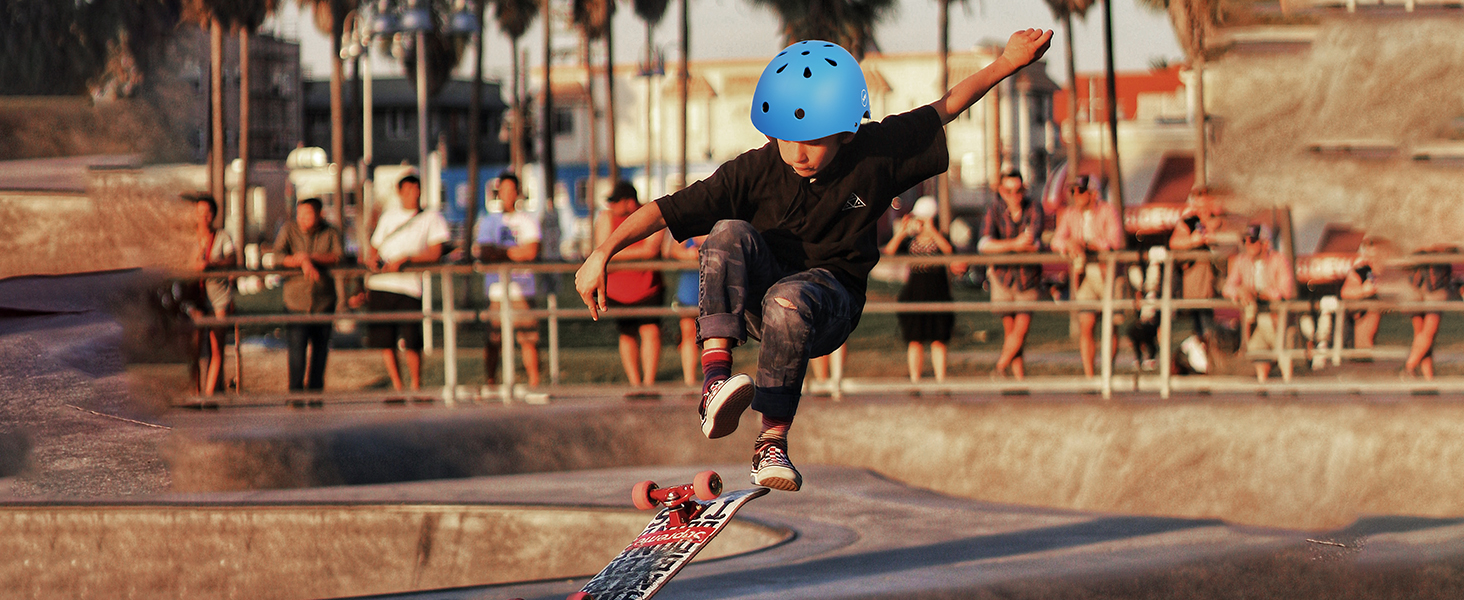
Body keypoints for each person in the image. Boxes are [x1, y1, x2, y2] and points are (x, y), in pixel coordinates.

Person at [576, 29, 1054, 491]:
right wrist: (603, 252)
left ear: (846, 134)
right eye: (788, 139)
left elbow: (946, 106)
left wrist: (1008, 63)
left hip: (831, 304)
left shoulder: (876, 153)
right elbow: (666, 209)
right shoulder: (756, 168)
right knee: (725, 234)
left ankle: (772, 442)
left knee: (790, 297)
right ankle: (714, 382)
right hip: (758, 300)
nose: (798, 153)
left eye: (814, 141)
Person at [364, 173, 451, 395]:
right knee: (386, 339)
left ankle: (416, 386)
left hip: (409, 286)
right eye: (408, 190)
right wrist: (373, 259)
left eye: (416, 189)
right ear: (400, 192)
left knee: (412, 339)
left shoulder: (430, 218)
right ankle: (398, 388)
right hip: (382, 285)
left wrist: (407, 259)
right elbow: (374, 247)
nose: (413, 194)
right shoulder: (388, 217)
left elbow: (435, 253)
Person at [1050, 175, 1124, 378]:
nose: (1075, 195)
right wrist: (1070, 244)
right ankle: (1090, 377)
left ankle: (1107, 374)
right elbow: (1056, 240)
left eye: (1080, 191)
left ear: (1093, 193)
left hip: (1108, 274)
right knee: (1087, 324)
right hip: (1084, 274)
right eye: (1072, 191)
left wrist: (1085, 244)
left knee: (1111, 326)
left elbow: (1113, 242)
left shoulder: (1108, 211)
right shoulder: (1070, 214)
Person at [596, 180, 667, 389]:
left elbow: (651, 250)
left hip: (648, 287)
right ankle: (635, 385)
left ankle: (649, 384)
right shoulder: (606, 217)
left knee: (651, 332)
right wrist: (613, 254)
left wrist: (614, 252)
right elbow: (600, 249)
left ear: (629, 202)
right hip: (619, 291)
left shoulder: (649, 213)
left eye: (616, 202)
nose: (612, 206)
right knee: (627, 335)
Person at [475, 172, 542, 388]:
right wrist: (514, 252)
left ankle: (534, 382)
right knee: (493, 339)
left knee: (528, 339)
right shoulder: (488, 221)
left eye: (512, 190)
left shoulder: (527, 221)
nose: (508, 194)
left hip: (522, 289)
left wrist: (501, 253)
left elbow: (531, 251)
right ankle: (491, 382)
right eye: (503, 190)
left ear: (518, 192)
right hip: (496, 290)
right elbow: (485, 252)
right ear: (498, 192)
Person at [273, 197, 343, 395]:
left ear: (320, 214)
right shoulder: (288, 230)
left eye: (308, 214)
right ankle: (295, 395)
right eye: (300, 214)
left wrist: (310, 257)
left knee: (320, 351)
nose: (303, 218)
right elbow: (277, 256)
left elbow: (338, 256)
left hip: (324, 300)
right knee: (296, 351)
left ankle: (315, 394)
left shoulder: (331, 232)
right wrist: (299, 261)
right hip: (296, 301)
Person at [979, 170, 1045, 380]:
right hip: (1003, 277)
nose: (1014, 195)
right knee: (1011, 332)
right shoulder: (994, 210)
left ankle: (999, 368)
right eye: (1008, 190)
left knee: (1022, 329)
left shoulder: (1034, 207)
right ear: (1001, 191)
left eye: (1018, 190)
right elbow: (984, 244)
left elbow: (1032, 242)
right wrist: (1014, 244)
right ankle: (1018, 379)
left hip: (1028, 277)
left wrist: (1004, 246)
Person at [883, 196, 955, 383]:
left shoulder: (941, 238)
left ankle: (941, 381)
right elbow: (889, 251)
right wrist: (902, 232)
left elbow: (949, 251)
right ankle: (915, 381)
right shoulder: (910, 241)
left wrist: (932, 231)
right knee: (915, 340)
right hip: (914, 294)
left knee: (939, 340)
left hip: (938, 294)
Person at [1223, 225, 1295, 383]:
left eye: (1253, 240)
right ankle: (1263, 394)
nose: (1247, 244)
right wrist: (1241, 291)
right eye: (1245, 240)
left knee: (1285, 361)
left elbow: (1285, 292)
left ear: (1265, 243)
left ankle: (1289, 396)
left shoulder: (1279, 260)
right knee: (1260, 363)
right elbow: (1227, 287)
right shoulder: (1241, 261)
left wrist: (1259, 292)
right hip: (1256, 322)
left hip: (1278, 321)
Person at [189, 194, 236, 396]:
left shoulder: (223, 237)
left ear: (213, 215)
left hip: (219, 296)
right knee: (194, 349)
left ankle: (208, 395)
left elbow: (232, 259)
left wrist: (211, 265)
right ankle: (195, 392)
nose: (204, 217)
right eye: (200, 212)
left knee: (217, 349)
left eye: (208, 213)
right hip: (195, 296)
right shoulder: (188, 237)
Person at [1402, 244, 1457, 380]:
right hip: (1432, 288)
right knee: (1428, 334)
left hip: (1415, 287)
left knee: (1421, 335)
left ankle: (1428, 377)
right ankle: (1409, 368)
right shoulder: (1440, 250)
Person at [667, 234, 707, 386]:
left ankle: (710, 380)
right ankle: (689, 381)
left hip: (712, 287)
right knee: (688, 333)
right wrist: (689, 254)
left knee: (711, 335)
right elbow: (673, 250)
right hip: (689, 286)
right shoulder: (689, 223)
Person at [1339, 236, 1383, 354]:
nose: (1370, 258)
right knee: (1370, 304)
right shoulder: (1362, 271)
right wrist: (1363, 290)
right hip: (1368, 315)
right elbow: (1345, 291)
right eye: (1368, 253)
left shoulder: (1392, 270)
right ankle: (1362, 355)